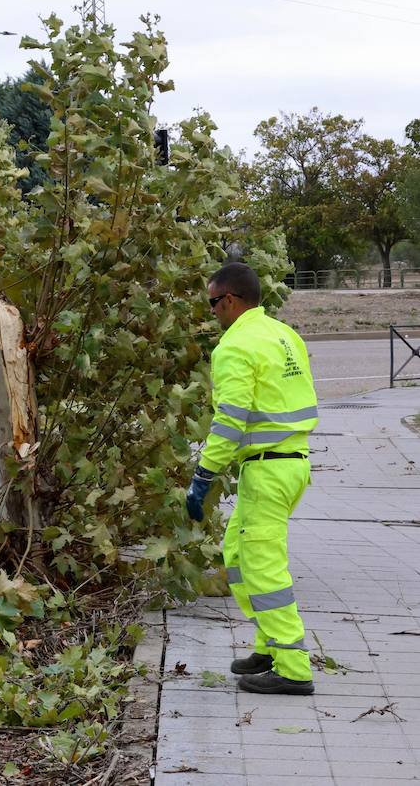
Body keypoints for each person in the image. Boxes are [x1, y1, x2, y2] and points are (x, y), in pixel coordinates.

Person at [186, 263, 317, 696]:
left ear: (230, 300)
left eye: (212, 303)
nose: (212, 313)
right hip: (291, 462)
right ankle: (268, 647)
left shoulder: (235, 346)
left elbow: (230, 421)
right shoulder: (284, 335)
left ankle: (294, 667)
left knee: (263, 567)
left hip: (266, 467)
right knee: (237, 553)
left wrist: (204, 473)